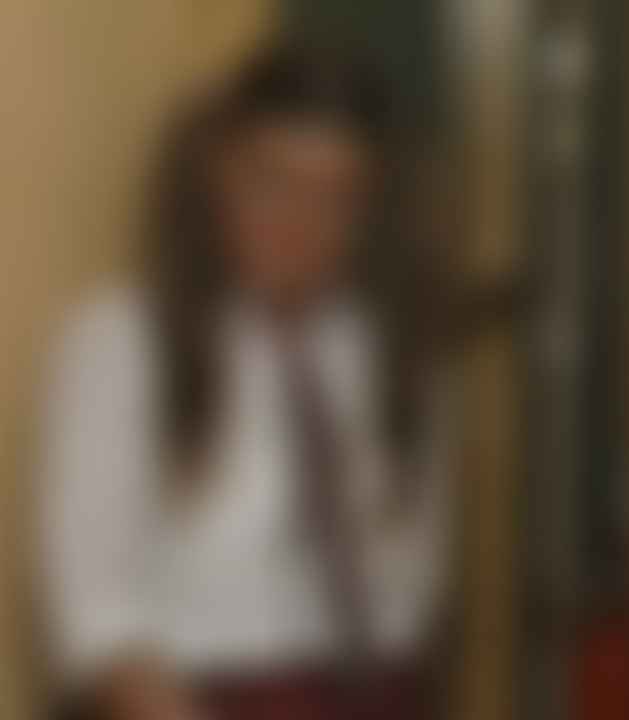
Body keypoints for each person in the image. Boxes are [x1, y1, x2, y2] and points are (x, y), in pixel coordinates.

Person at [39, 41, 455, 720]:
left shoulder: (398, 356)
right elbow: (98, 617)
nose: (300, 225)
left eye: (337, 201)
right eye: (274, 187)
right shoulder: (124, 344)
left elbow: (414, 600)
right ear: (218, 172)